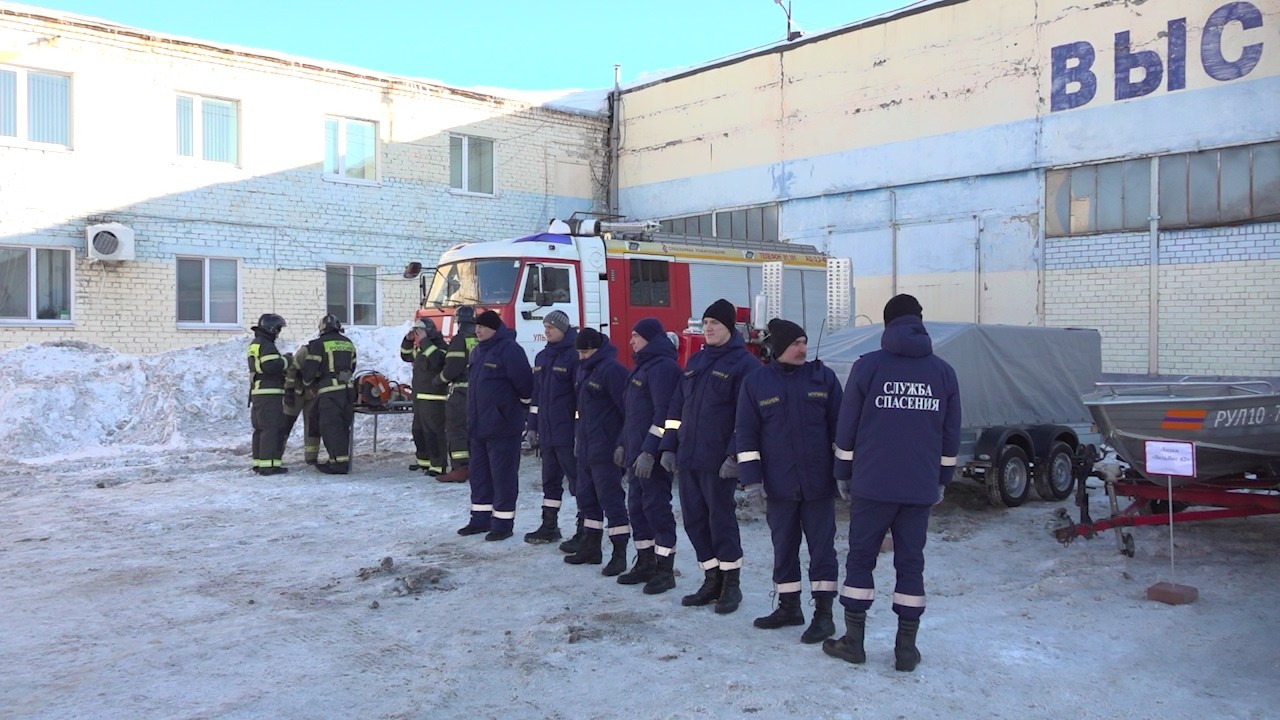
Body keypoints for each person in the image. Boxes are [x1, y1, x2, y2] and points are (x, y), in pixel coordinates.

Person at [823, 294, 961, 673]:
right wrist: (942, 480)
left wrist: (842, 474)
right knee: (911, 564)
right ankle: (905, 650)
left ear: (887, 325)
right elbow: (950, 436)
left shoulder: (867, 368)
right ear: (919, 321)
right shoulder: (943, 373)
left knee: (861, 560)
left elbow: (847, 428)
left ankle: (853, 642)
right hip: (919, 489)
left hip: (872, 485)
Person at [735, 318, 844, 643]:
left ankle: (824, 615)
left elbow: (842, 430)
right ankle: (789, 607)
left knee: (822, 550)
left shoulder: (822, 378)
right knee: (783, 548)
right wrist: (752, 482)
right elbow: (746, 434)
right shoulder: (757, 383)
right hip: (779, 487)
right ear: (779, 347)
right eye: (796, 343)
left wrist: (845, 474)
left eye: (804, 342)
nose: (802, 348)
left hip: (818, 486)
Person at [659, 299, 760, 614]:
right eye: (705, 324)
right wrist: (668, 446)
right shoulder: (696, 362)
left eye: (714, 323)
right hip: (689, 457)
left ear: (730, 328)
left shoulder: (745, 366)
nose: (709, 329)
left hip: (718, 463)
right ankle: (711, 577)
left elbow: (747, 418)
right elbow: (676, 408)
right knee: (694, 522)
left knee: (721, 522)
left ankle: (732, 584)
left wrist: (734, 455)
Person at [616, 317, 682, 594]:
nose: (631, 341)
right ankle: (644, 562)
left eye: (635, 336)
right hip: (634, 454)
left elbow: (665, 415)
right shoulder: (642, 367)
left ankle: (664, 570)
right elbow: (632, 414)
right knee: (637, 510)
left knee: (656, 510)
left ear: (651, 338)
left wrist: (649, 451)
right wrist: (622, 444)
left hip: (650, 459)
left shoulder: (663, 368)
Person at [456, 310, 533, 541]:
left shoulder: (510, 350)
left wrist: (512, 411)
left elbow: (525, 386)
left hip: (502, 427)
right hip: (479, 427)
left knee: (503, 476)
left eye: (482, 327)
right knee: (479, 475)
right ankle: (480, 519)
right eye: (476, 327)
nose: (477, 330)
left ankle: (502, 523)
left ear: (495, 328)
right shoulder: (478, 352)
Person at [564, 327, 631, 575]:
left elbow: (628, 411)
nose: (582, 356)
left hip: (606, 451)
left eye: (586, 351)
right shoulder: (584, 369)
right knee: (587, 501)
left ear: (598, 348)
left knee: (612, 502)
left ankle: (620, 553)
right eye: (579, 351)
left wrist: (622, 444)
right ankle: (591, 547)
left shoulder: (612, 371)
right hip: (586, 449)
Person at [524, 310, 579, 544]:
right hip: (547, 433)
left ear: (563, 330)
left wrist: (578, 432)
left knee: (579, 482)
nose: (547, 331)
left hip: (566, 433)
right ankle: (549, 525)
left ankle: (584, 529)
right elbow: (536, 398)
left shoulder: (574, 357)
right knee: (550, 480)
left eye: (552, 327)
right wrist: (532, 427)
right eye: (545, 326)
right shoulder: (542, 358)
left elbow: (580, 398)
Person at [301, 314, 358, 475]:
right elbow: (352, 366)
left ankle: (339, 465)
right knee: (342, 427)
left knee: (330, 428)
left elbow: (309, 370)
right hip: (347, 391)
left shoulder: (319, 344)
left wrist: (309, 385)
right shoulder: (348, 343)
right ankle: (338, 460)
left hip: (329, 393)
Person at [401, 316, 450, 475]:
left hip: (434, 397)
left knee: (433, 433)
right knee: (419, 431)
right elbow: (406, 355)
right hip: (420, 397)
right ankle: (424, 461)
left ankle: (438, 465)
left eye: (419, 331)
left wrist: (424, 341)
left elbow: (438, 361)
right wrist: (408, 340)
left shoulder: (440, 346)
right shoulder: (421, 346)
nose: (417, 335)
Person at [436, 306, 478, 483]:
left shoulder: (459, 340)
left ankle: (460, 468)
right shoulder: (479, 339)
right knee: (473, 430)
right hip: (478, 391)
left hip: (461, 392)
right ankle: (474, 466)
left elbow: (453, 367)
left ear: (458, 321)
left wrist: (439, 379)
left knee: (456, 429)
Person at [247, 313, 289, 475]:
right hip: (269, 392)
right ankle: (269, 466)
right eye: (278, 329)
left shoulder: (256, 343)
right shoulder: (266, 344)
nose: (278, 333)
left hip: (259, 392)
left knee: (260, 429)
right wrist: (287, 360)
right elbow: (272, 365)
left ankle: (259, 463)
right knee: (271, 428)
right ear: (271, 328)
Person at [279, 343, 320, 466]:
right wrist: (289, 390)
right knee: (286, 423)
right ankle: (275, 456)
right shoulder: (306, 350)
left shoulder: (326, 350)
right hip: (296, 393)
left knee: (313, 426)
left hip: (312, 393)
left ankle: (311, 458)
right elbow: (293, 368)